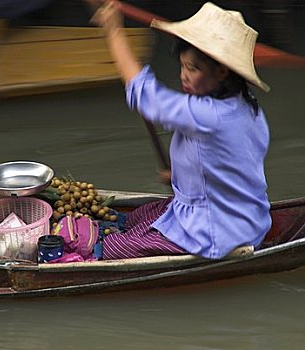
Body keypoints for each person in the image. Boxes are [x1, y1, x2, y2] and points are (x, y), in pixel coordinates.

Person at [89, 1, 272, 260]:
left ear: (221, 71)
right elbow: (232, 163)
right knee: (139, 216)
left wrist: (114, 31)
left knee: (112, 248)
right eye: (183, 66)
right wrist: (181, 173)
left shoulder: (206, 114)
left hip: (214, 231)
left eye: (193, 69)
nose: (183, 76)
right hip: (248, 219)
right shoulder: (249, 109)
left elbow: (144, 94)